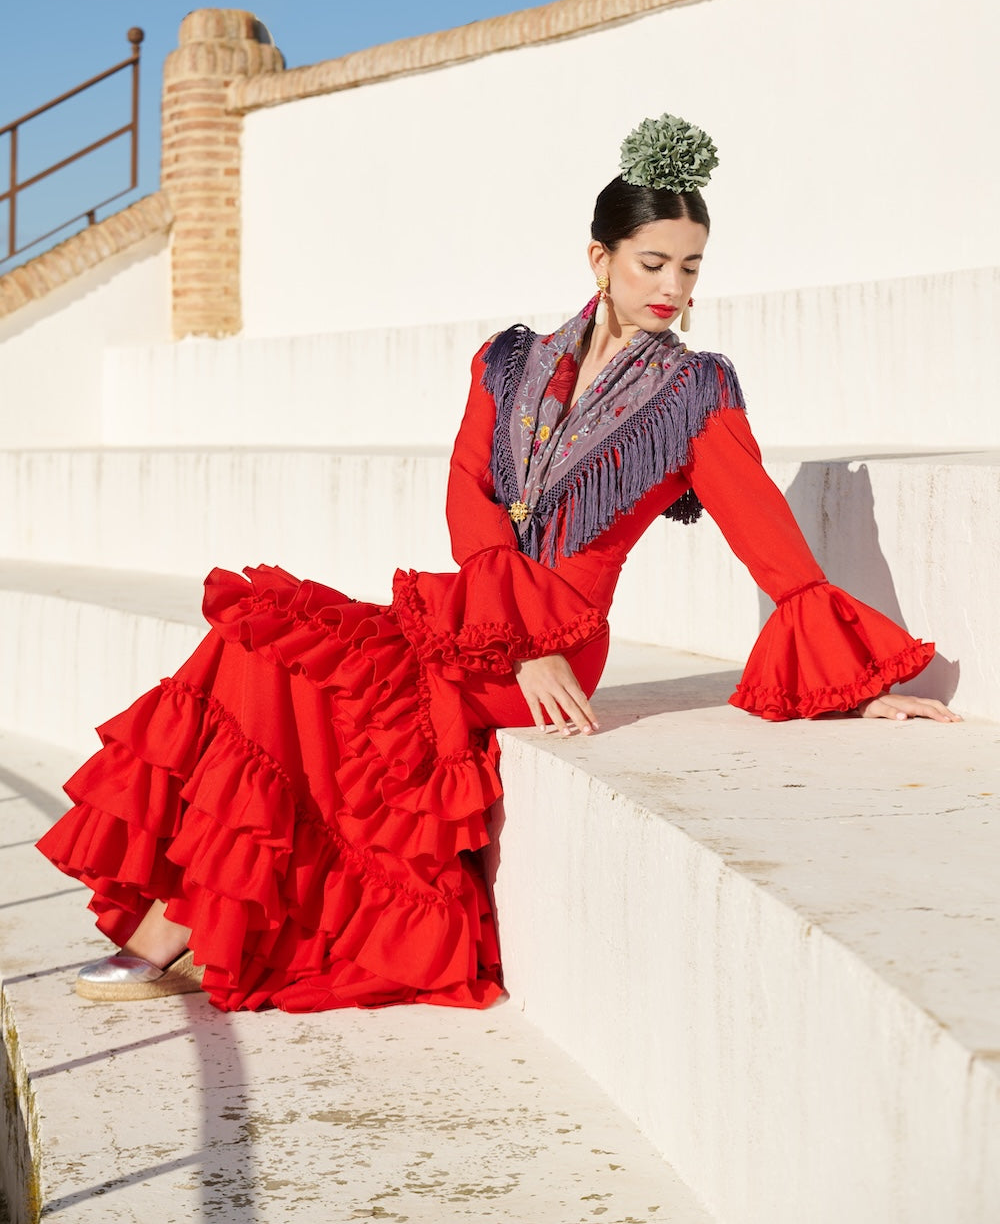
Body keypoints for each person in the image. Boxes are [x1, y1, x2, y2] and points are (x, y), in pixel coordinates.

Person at [36, 113, 960, 1011]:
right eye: (652, 262)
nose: (672, 286)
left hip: (561, 653)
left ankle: (176, 926)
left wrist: (853, 683)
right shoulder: (508, 360)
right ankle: (203, 916)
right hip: (483, 618)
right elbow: (467, 488)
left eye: (690, 265)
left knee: (326, 689)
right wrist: (508, 632)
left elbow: (766, 532)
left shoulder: (696, 390)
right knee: (260, 648)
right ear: (598, 258)